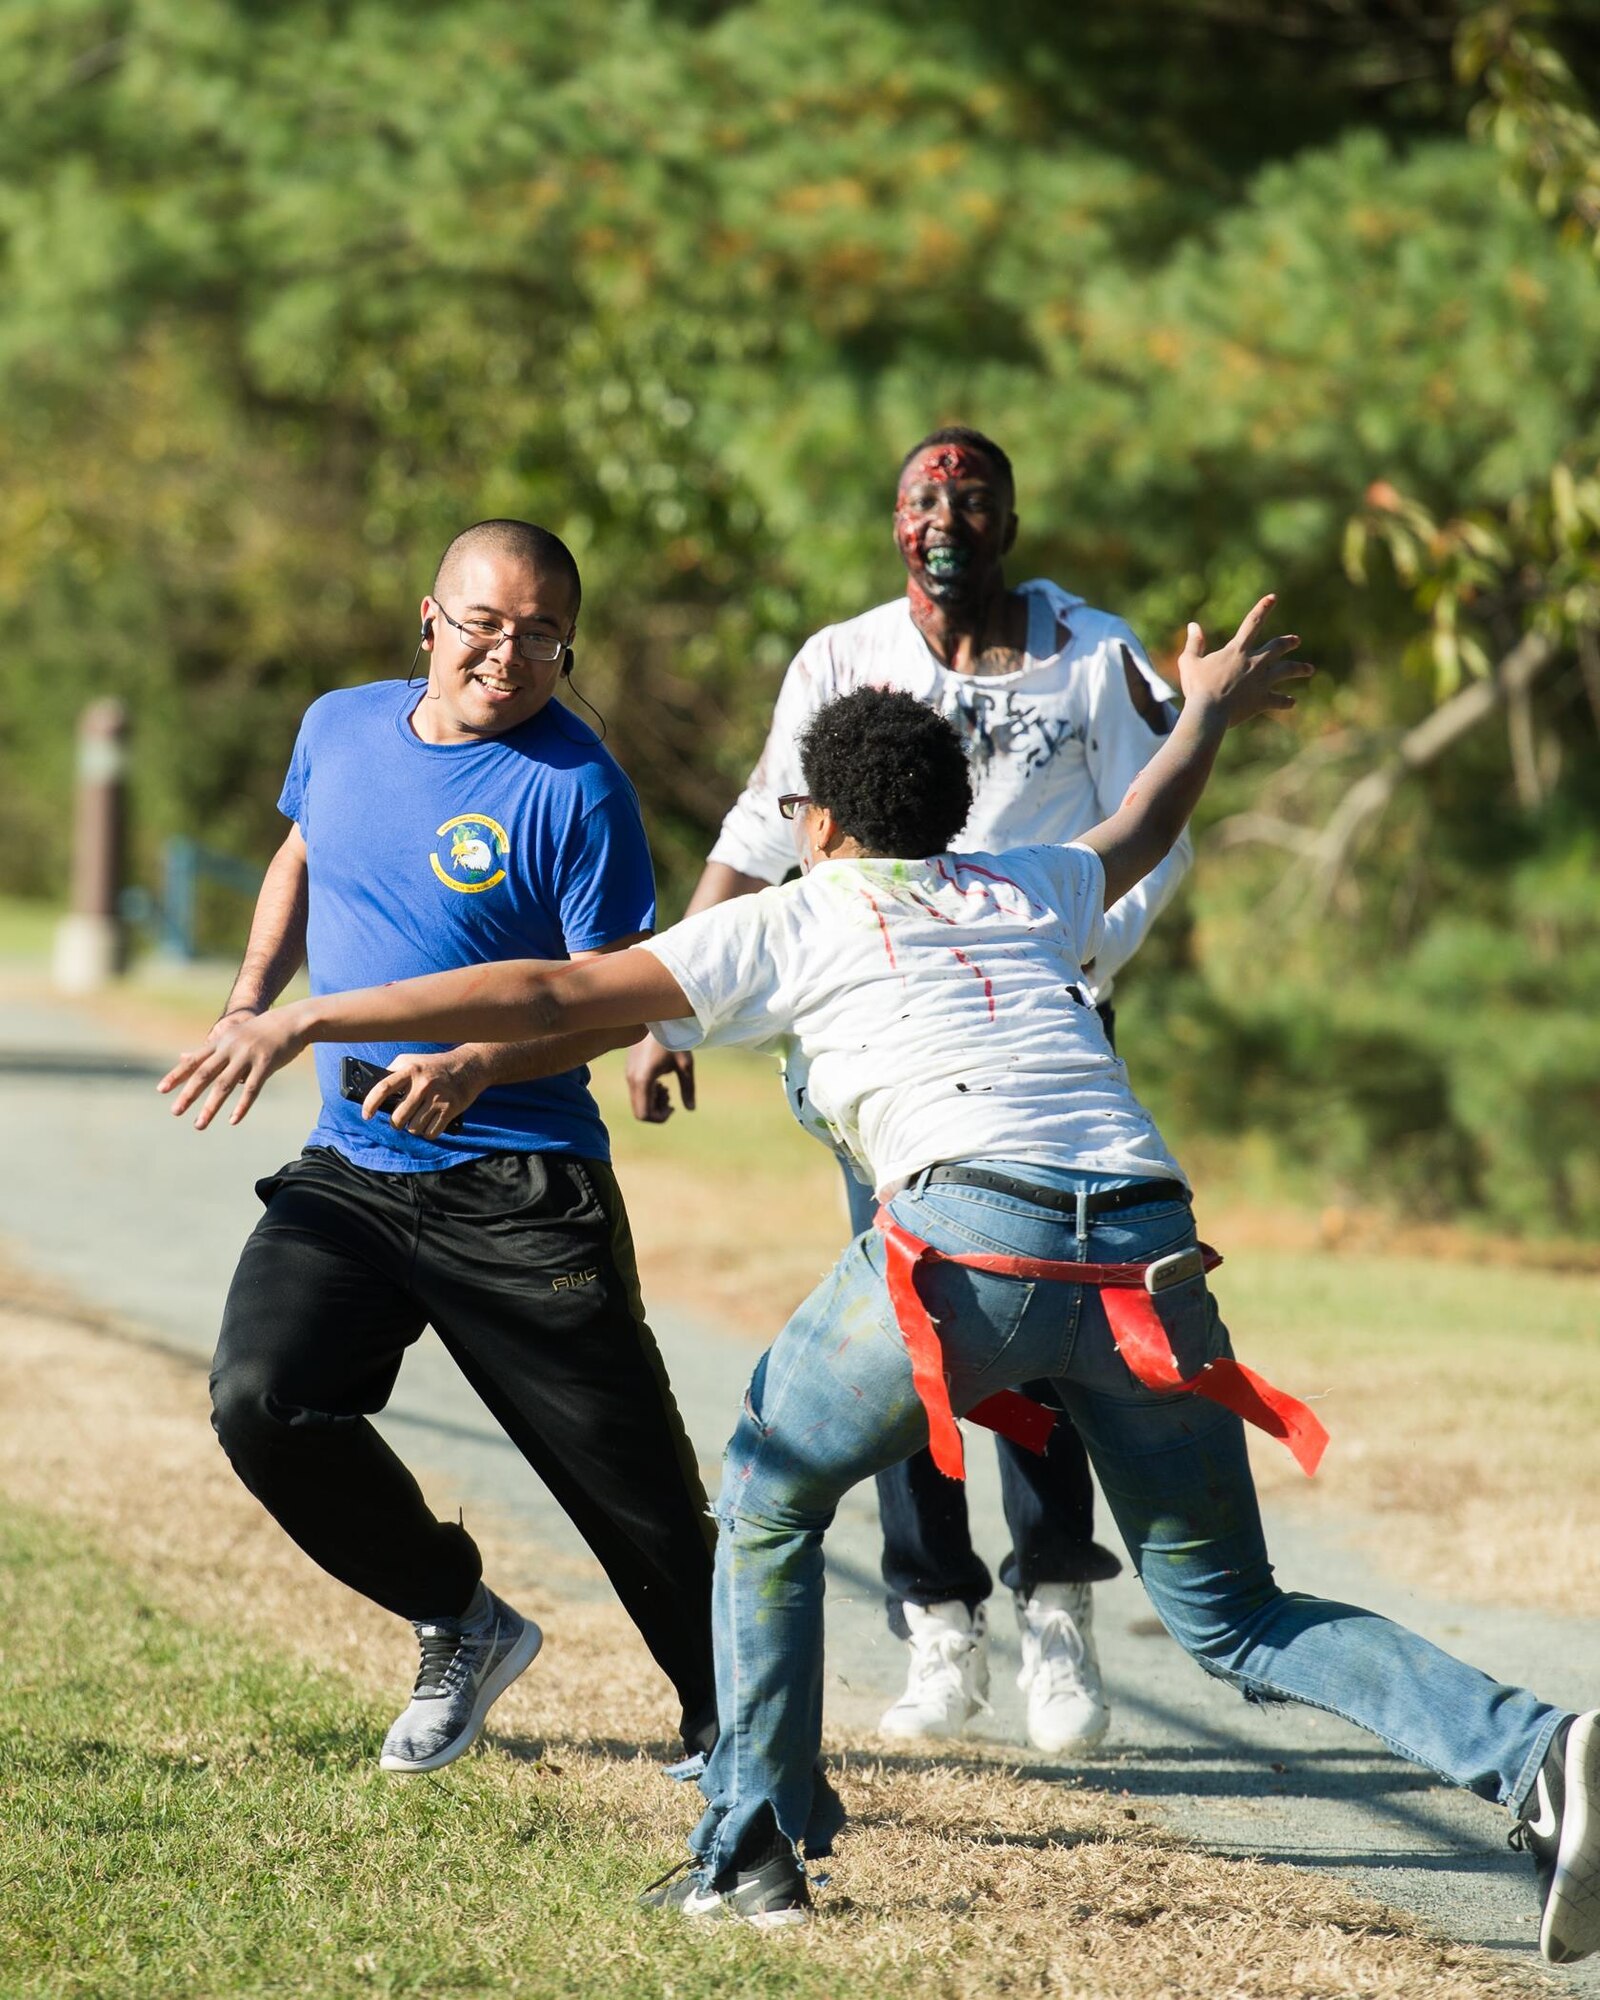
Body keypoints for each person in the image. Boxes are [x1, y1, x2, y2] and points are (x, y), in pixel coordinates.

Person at [164, 600, 1598, 1966]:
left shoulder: (800, 913)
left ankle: (750, 1852)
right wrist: (1206, 714)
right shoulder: (1028, 883)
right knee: (1234, 1614)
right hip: (1151, 1249)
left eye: (800, 812)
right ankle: (1544, 1752)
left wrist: (310, 1018)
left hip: (973, 1244)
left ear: (825, 822)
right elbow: (1143, 822)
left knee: (772, 1496)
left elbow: (552, 993)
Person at [627, 426, 1191, 1754]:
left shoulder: (1092, 654)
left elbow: (1156, 829)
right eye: (921, 498)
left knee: (1040, 1333)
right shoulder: (843, 657)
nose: (945, 519)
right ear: (893, 523)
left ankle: (1058, 1618)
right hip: (879, 1036)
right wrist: (666, 1016)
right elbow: (763, 836)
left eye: (972, 496)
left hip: (1038, 1020)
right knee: (914, 1333)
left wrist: (1080, 946)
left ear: (1010, 516)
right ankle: (938, 1628)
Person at [159, 519, 716, 1773]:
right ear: (429, 618)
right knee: (264, 1398)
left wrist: (480, 1064)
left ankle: (728, 1718)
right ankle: (461, 1617)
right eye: (483, 622)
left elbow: (616, 998)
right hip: (353, 1168)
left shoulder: (576, 787)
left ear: (568, 648)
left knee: (634, 1495)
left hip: (524, 1183)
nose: (507, 654)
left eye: (541, 636)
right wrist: (251, 1001)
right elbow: (303, 848)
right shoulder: (340, 725)